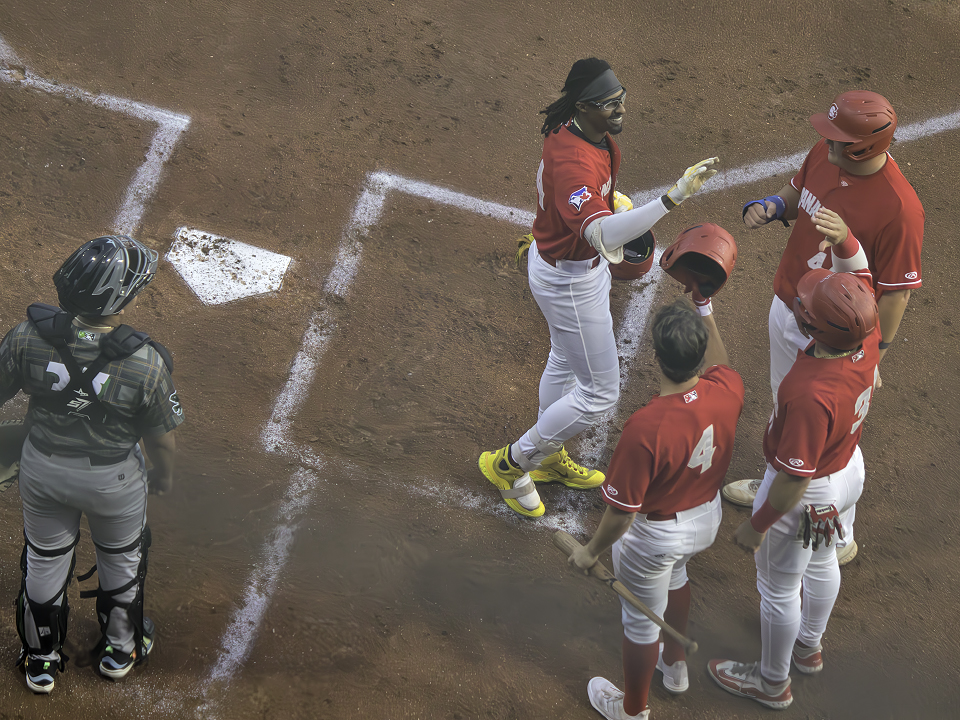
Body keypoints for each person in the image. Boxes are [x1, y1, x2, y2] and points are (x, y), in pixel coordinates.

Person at [479, 57, 719, 517]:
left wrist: (608, 204)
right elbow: (604, 235)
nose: (620, 110)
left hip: (568, 269)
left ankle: (546, 458)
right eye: (610, 104)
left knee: (565, 360)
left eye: (622, 99)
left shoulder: (583, 134)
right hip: (569, 280)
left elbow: (588, 204)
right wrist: (672, 198)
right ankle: (511, 464)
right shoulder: (571, 163)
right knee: (600, 393)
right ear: (585, 107)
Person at [722, 90, 924, 566]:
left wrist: (874, 356)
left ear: (861, 148)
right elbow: (799, 193)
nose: (824, 142)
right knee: (785, 409)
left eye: (836, 139)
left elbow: (895, 293)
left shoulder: (900, 209)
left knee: (835, 436)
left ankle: (840, 531)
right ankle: (779, 479)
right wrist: (775, 205)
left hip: (836, 339)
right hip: (789, 304)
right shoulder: (823, 152)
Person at [568, 227, 744, 720]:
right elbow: (724, 364)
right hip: (703, 521)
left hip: (655, 537)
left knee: (639, 622)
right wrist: (704, 307)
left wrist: (589, 552)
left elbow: (621, 515)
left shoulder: (646, 427)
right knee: (679, 577)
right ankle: (676, 668)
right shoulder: (727, 390)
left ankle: (633, 710)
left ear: (658, 358)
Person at [0, 235, 183, 694]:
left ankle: (40, 661)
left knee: (44, 562)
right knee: (122, 564)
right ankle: (121, 651)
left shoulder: (26, 337)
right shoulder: (146, 363)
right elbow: (162, 441)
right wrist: (163, 477)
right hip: (113, 482)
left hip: (42, 470)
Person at [707, 222, 878, 710]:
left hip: (808, 493)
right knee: (822, 560)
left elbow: (793, 478)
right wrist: (846, 240)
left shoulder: (808, 394)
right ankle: (808, 649)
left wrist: (758, 526)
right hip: (848, 473)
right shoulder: (865, 331)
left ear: (810, 328)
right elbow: (860, 272)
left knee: (778, 587)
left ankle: (771, 681)